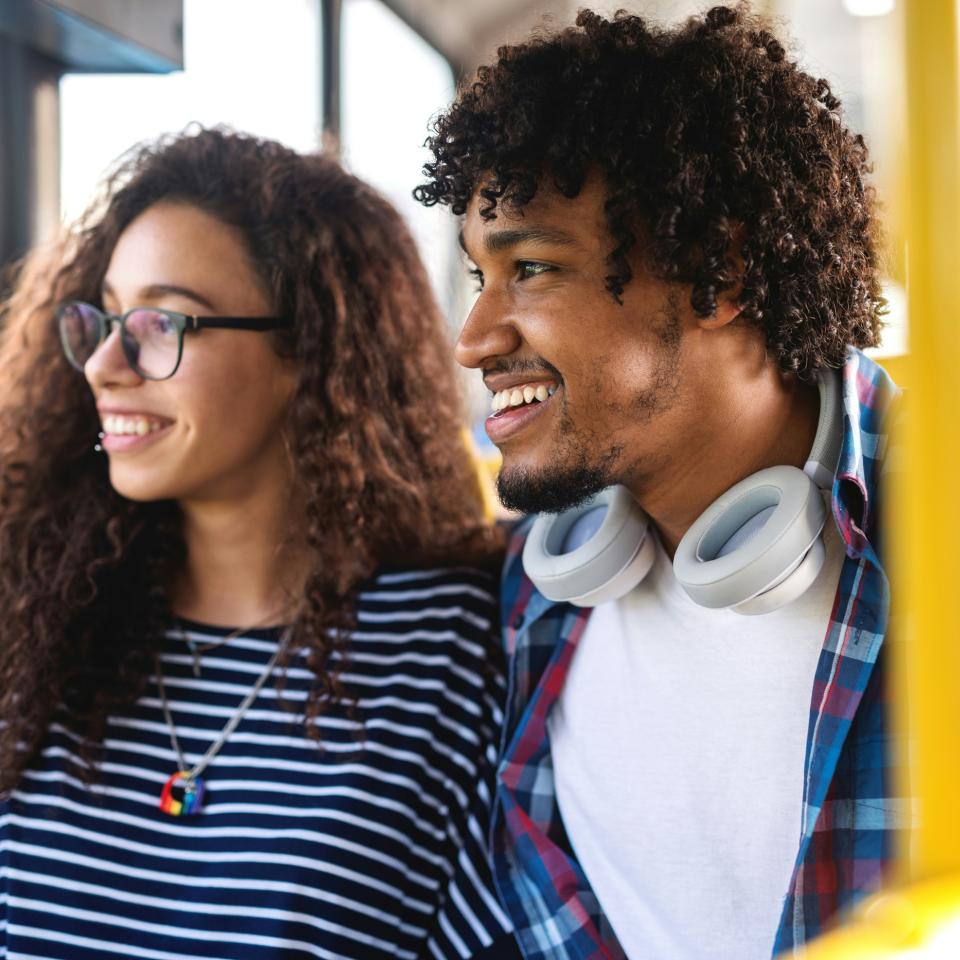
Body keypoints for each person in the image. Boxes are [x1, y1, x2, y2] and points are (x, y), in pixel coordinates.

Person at [415, 5, 900, 959]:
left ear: (715, 272)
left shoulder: (937, 523)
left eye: (535, 267)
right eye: (480, 278)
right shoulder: (537, 589)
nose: (474, 340)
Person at [0, 127, 520, 960]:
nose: (103, 363)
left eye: (162, 322)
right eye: (101, 318)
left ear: (309, 350)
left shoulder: (458, 642)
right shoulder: (43, 626)